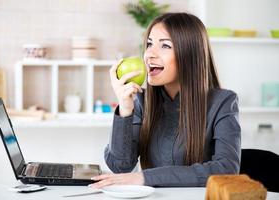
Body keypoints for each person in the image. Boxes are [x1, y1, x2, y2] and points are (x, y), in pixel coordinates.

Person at [89, 12, 241, 188]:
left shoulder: (223, 103)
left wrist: (145, 177)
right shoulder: (142, 101)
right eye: (149, 44)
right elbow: (119, 165)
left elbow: (226, 169)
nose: (149, 55)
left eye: (165, 46)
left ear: (189, 54)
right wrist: (125, 109)